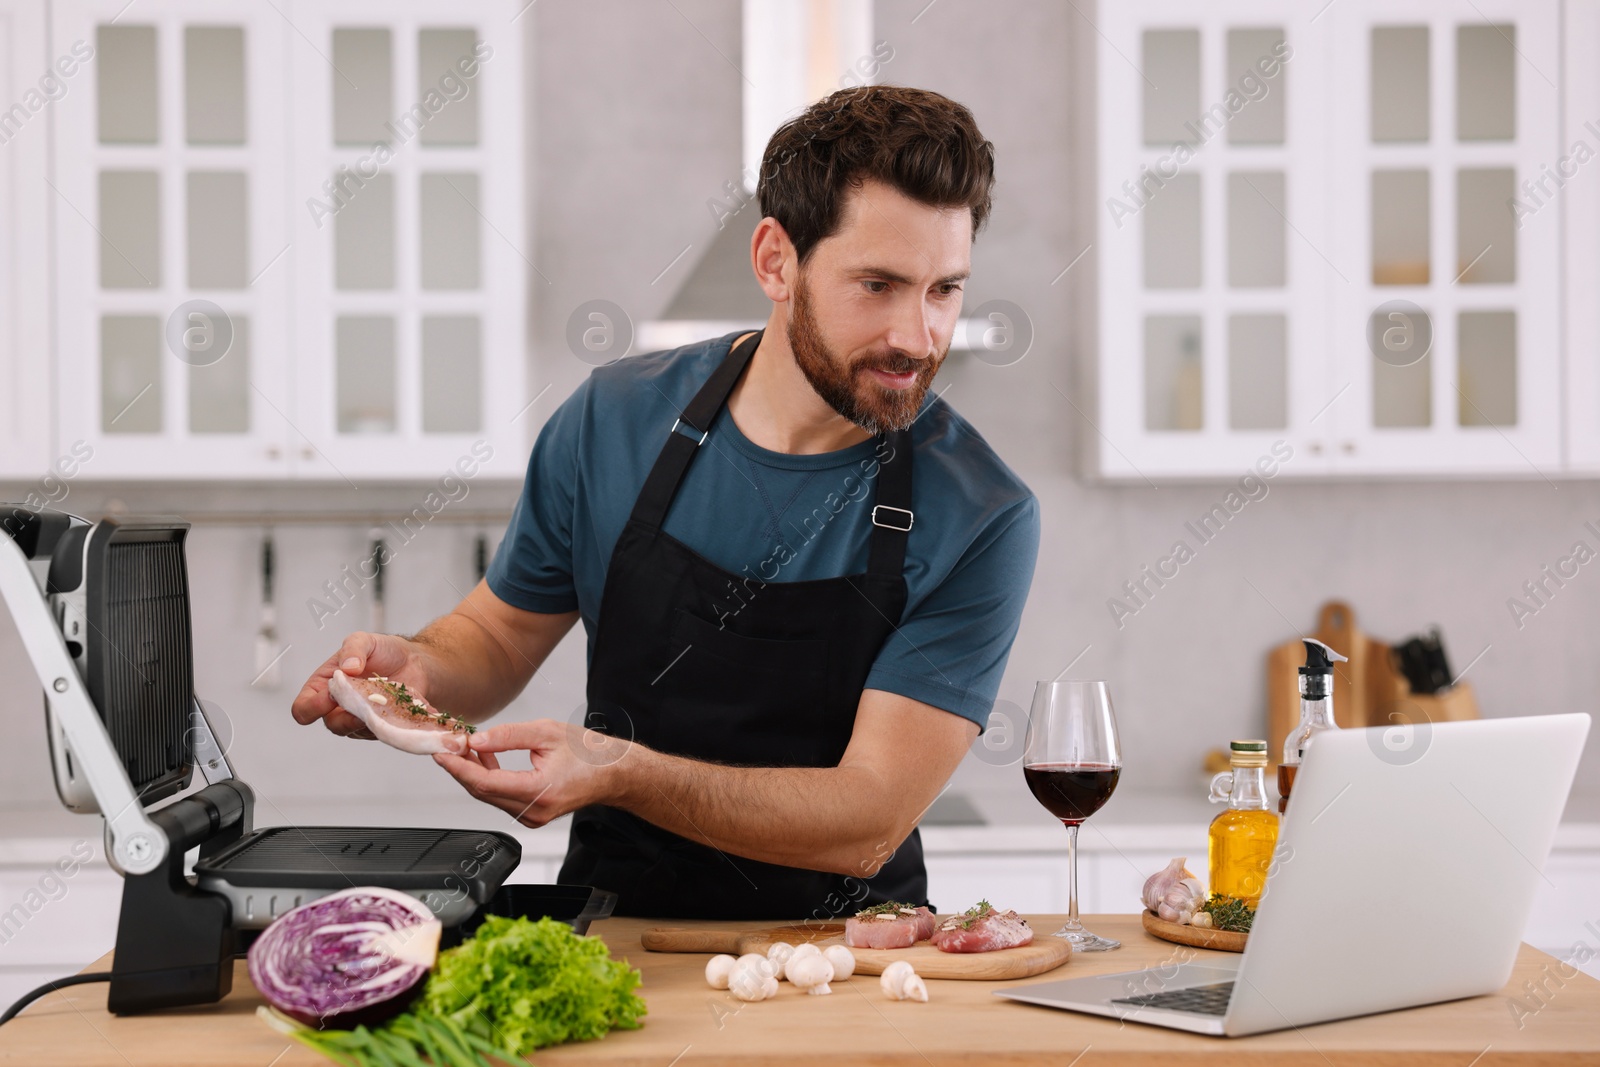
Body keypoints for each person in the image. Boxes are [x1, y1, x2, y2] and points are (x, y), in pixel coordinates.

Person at [292, 84, 1040, 919]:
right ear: (775, 261)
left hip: (850, 964)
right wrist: (421, 669)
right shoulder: (612, 421)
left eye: (944, 290)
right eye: (878, 285)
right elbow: (499, 634)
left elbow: (867, 821)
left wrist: (623, 772)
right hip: (614, 938)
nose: (917, 336)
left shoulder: (981, 510)